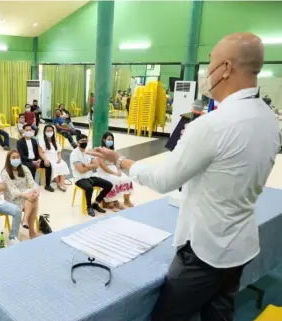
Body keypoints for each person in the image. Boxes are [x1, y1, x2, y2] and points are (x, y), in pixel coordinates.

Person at [87, 33, 281, 321]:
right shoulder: (269, 118)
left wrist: (121, 160)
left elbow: (164, 179)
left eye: (210, 65)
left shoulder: (214, 124)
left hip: (206, 252)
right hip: (241, 243)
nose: (206, 74)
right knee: (219, 312)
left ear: (226, 68)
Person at [70, 134, 112, 217]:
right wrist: (90, 166)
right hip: (80, 179)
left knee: (109, 185)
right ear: (78, 142)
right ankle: (89, 207)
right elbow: (81, 170)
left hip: (90, 176)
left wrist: (87, 166)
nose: (84, 142)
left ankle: (96, 204)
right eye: (82, 141)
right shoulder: (74, 154)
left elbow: (96, 165)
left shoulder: (88, 151)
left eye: (86, 140)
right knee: (89, 188)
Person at [1, 150, 40, 239]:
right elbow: (13, 191)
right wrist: (28, 195)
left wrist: (36, 191)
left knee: (33, 198)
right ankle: (31, 231)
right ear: (8, 159)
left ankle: (25, 220)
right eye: (13, 158)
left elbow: (32, 182)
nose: (16, 159)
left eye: (17, 157)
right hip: (12, 198)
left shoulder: (24, 168)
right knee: (32, 199)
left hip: (26, 196)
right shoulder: (5, 172)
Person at [96, 132, 133, 209]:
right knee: (114, 180)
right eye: (108, 139)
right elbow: (103, 166)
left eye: (111, 139)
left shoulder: (113, 150)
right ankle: (111, 202)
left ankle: (126, 200)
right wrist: (114, 173)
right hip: (104, 172)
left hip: (113, 169)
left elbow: (117, 162)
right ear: (104, 140)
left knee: (127, 179)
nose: (110, 141)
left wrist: (118, 170)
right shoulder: (99, 150)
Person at [16, 124, 54, 192]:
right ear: (24, 131)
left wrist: (39, 159)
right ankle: (31, 185)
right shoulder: (19, 142)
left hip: (35, 160)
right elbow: (21, 155)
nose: (29, 131)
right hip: (26, 161)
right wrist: (32, 161)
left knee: (48, 164)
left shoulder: (34, 141)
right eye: (27, 130)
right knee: (32, 166)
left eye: (30, 130)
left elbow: (38, 152)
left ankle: (47, 185)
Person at [39, 125, 70, 191]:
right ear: (44, 132)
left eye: (51, 131)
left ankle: (61, 183)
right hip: (48, 158)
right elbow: (40, 153)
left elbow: (58, 151)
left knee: (63, 164)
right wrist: (45, 159)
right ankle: (58, 182)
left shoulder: (55, 141)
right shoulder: (41, 141)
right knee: (54, 166)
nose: (49, 132)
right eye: (48, 131)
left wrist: (59, 158)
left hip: (56, 157)